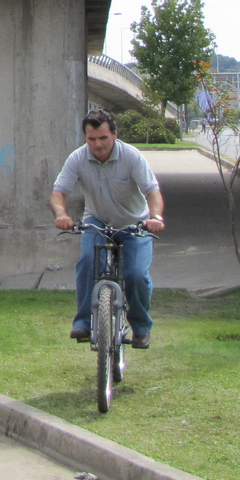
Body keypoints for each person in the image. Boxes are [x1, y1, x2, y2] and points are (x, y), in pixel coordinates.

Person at [51, 107, 165, 347]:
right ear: (85, 138)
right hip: (97, 220)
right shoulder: (78, 158)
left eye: (103, 137)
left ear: (114, 134)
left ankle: (141, 327)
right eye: (91, 139)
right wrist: (61, 213)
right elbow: (58, 192)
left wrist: (155, 217)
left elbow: (152, 192)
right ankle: (83, 323)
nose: (98, 144)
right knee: (87, 263)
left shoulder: (131, 157)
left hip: (134, 222)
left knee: (135, 275)